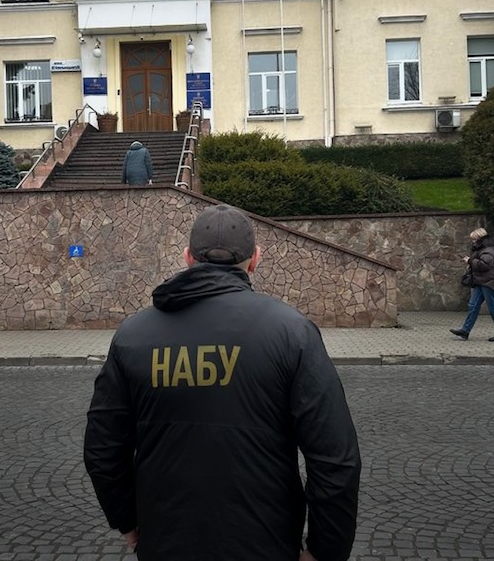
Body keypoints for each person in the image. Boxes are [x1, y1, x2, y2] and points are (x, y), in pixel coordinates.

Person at [83, 203, 361, 561]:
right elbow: (335, 458)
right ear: (255, 259)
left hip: (166, 541)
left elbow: (103, 448)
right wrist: (324, 551)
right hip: (265, 543)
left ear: (188, 257)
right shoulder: (293, 332)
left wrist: (127, 521)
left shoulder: (132, 335)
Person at [450, 227, 494, 342]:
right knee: (473, 306)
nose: (473, 242)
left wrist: (470, 261)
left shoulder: (488, 249)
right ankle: (465, 330)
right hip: (481, 281)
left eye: (474, 239)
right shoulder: (484, 249)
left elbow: (484, 265)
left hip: (488, 281)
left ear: (480, 238)